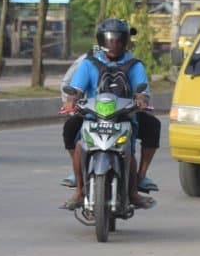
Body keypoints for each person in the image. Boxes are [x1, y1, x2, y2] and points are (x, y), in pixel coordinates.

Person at [62, 18, 160, 211]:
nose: (114, 44)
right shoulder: (88, 64)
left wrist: (141, 100)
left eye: (118, 40)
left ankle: (135, 186)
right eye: (109, 40)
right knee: (76, 138)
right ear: (101, 41)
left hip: (124, 116)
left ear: (125, 41)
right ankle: (79, 189)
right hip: (93, 115)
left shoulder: (134, 65)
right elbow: (76, 89)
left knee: (132, 147)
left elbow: (142, 92)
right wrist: (72, 99)